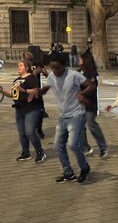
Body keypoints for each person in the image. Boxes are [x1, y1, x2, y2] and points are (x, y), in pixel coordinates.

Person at [32, 53, 94, 183]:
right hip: (63, 116)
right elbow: (46, 89)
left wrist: (82, 93)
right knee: (58, 145)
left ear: (64, 66)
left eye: (57, 68)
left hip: (77, 114)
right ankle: (68, 172)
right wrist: (38, 92)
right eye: (52, 67)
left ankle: (84, 168)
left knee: (72, 144)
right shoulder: (51, 77)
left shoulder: (73, 75)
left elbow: (91, 85)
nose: (54, 70)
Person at [0, 60, 46, 163]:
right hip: (19, 109)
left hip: (32, 108)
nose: (18, 67)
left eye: (20, 65)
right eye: (18, 65)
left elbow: (36, 91)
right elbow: (13, 95)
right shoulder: (16, 80)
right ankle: (26, 153)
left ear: (26, 67)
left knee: (30, 132)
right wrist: (2, 91)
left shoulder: (31, 78)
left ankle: (40, 152)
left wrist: (25, 91)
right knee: (22, 133)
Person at [78, 53, 109, 158]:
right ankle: (85, 148)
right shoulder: (79, 72)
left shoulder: (91, 75)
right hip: (80, 104)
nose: (79, 60)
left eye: (80, 58)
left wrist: (82, 93)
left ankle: (103, 147)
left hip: (90, 103)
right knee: (80, 126)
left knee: (92, 125)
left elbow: (92, 88)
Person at [22, 51, 48, 139]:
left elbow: (46, 73)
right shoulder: (24, 65)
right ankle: (34, 130)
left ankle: (38, 129)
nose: (29, 55)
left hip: (35, 91)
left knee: (38, 111)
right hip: (29, 91)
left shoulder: (36, 64)